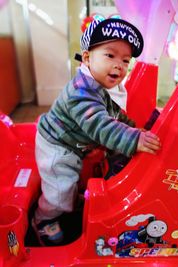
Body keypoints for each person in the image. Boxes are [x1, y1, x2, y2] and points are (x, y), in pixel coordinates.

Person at [32, 18, 161, 246]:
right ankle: (44, 219)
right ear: (88, 57)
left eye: (125, 60)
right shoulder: (82, 91)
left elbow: (114, 115)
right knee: (59, 191)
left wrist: (133, 129)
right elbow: (100, 125)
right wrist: (133, 138)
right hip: (57, 145)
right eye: (110, 55)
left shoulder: (100, 86)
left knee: (70, 183)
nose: (119, 65)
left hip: (73, 144)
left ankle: (68, 199)